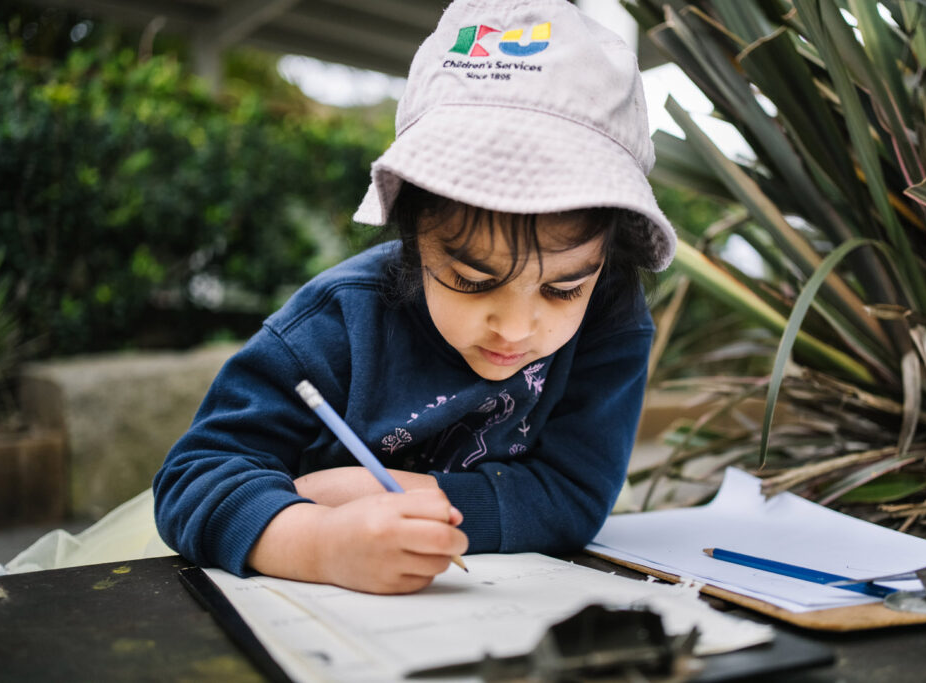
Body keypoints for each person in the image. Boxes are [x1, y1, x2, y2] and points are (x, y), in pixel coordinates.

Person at [153, 0, 677, 594]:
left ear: (606, 256)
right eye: (473, 280)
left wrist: (400, 495)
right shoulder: (336, 321)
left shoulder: (611, 318)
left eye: (563, 289)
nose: (515, 326)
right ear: (412, 234)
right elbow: (193, 477)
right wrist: (318, 544)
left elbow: (575, 493)